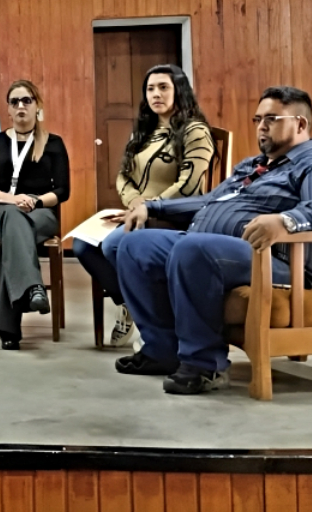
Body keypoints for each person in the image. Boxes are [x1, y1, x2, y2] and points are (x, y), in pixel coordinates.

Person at [114, 86, 312, 395]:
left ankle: (205, 365)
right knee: (134, 245)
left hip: (280, 263)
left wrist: (285, 220)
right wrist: (153, 207)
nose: (261, 126)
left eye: (271, 118)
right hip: (218, 249)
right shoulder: (252, 166)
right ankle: (162, 350)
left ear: (300, 124)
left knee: (192, 249)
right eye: (257, 119)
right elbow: (209, 202)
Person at [72, 65, 214, 346]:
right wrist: (134, 201)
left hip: (173, 215)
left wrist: (151, 206)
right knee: (83, 245)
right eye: (150, 89)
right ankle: (130, 305)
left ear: (179, 91)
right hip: (138, 211)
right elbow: (123, 175)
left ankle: (154, 322)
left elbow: (189, 185)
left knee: (113, 245)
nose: (156, 94)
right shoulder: (145, 130)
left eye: (164, 87)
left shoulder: (195, 131)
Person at [0, 80, 70, 350]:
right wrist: (12, 199)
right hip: (0, 212)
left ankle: (9, 327)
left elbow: (63, 191)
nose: (21, 106)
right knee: (11, 218)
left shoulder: (53, 143)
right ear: (8, 109)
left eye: (27, 100)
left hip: (41, 213)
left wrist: (36, 200)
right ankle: (33, 288)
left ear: (37, 106)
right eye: (15, 101)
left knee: (14, 233)